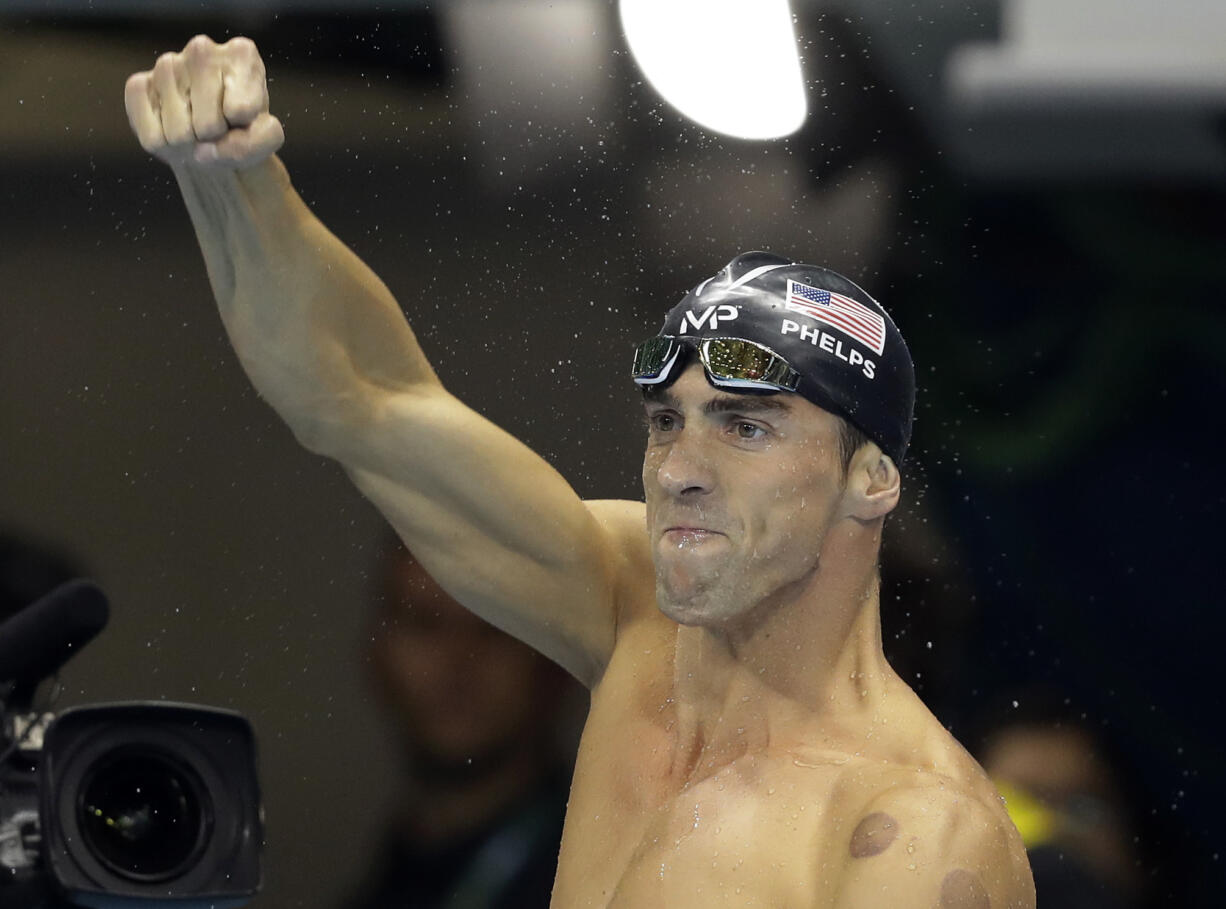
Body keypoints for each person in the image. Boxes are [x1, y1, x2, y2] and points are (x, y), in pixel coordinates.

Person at [124, 35, 1035, 907]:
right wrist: (235, 182)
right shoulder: (631, 597)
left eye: (745, 428)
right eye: (666, 421)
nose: (681, 467)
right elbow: (358, 398)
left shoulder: (907, 833)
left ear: (871, 476)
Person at [341, 538, 577, 909]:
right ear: (377, 654)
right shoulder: (393, 868)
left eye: (495, 627)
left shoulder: (609, 872)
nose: (458, 662)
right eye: (425, 623)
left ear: (555, 660)